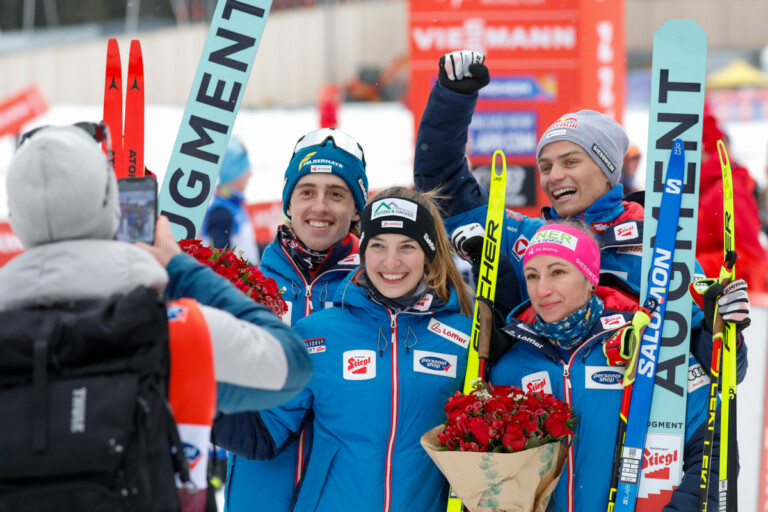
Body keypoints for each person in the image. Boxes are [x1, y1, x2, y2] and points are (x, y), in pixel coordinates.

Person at [0, 125, 312, 510]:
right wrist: (180, 267)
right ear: (111, 206)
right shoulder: (174, 330)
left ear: (15, 218)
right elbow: (291, 364)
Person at [415, 49, 748, 381]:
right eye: (545, 166)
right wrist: (453, 100)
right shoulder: (529, 239)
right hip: (545, 424)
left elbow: (718, 368)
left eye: (570, 161)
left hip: (621, 425)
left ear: (607, 172)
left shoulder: (658, 245)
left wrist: (722, 327)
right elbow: (445, 190)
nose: (553, 176)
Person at [216, 187, 473, 511]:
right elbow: (264, 431)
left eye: (407, 246)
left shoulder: (464, 337)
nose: (391, 261)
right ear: (364, 252)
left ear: (428, 253)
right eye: (378, 246)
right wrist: (192, 389)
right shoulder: (317, 334)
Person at [490, 221, 751, 511]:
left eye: (558, 272)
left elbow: (713, 449)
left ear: (590, 278)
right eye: (532, 275)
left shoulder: (645, 345)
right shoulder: (509, 368)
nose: (542, 289)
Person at [213, 128, 369, 511]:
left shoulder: (375, 291)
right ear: (289, 200)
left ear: (356, 207)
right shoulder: (245, 287)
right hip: (257, 494)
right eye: (306, 191)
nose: (320, 206)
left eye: (336, 193)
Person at [696, 112, 768, 293]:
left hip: (733, 305)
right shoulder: (707, 187)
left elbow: (750, 254)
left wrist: (692, 268)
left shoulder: (726, 188)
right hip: (715, 298)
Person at [202, 138, 260, 264]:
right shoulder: (221, 210)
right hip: (235, 283)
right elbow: (220, 259)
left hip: (244, 281)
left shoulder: (234, 205)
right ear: (234, 172)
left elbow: (246, 247)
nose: (250, 174)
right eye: (245, 168)